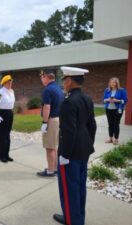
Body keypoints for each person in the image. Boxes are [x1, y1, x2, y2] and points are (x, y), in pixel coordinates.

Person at [53, 66, 97, 225]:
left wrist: (64, 154)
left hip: (70, 153)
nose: (63, 83)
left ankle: (72, 221)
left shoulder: (68, 102)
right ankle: (78, 218)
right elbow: (92, 125)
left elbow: (69, 131)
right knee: (79, 187)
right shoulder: (87, 99)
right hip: (83, 149)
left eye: (64, 80)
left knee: (69, 189)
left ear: (69, 81)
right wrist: (88, 143)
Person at [37, 69, 64, 178]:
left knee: (49, 147)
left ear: (46, 77)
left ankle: (50, 171)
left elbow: (47, 107)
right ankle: (55, 168)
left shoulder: (47, 90)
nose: (41, 79)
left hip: (51, 120)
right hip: (58, 119)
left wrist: (44, 122)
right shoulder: (58, 88)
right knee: (54, 146)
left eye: (41, 77)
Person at [0, 74, 15, 163]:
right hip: (2, 114)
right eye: (9, 82)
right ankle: (2, 155)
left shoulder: (12, 91)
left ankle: (7, 154)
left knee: (8, 135)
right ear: (4, 83)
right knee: (2, 136)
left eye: (11, 82)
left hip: (9, 113)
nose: (10, 84)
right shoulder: (0, 92)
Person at [103, 77, 128, 145]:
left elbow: (125, 100)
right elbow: (104, 99)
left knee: (116, 124)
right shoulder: (107, 90)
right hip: (109, 109)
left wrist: (117, 100)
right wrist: (107, 99)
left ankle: (116, 139)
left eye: (114, 82)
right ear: (109, 83)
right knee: (110, 124)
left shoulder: (122, 90)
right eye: (111, 82)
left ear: (117, 83)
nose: (112, 84)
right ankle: (110, 138)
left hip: (118, 109)